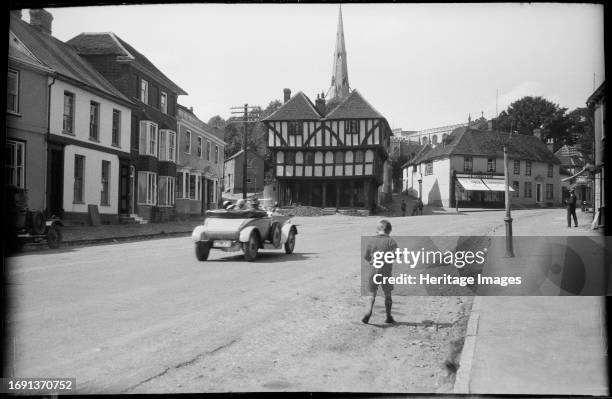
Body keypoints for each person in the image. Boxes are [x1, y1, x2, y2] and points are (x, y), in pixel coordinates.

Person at [362, 219, 398, 324]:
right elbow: (397, 254)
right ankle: (388, 316)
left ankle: (368, 312)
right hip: (386, 271)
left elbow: (366, 256)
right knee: (388, 294)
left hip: (374, 270)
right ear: (389, 231)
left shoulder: (371, 241)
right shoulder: (391, 241)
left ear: (377, 230)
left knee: (371, 293)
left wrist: (372, 261)